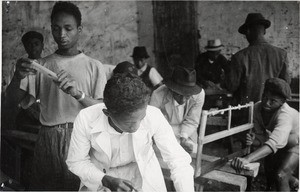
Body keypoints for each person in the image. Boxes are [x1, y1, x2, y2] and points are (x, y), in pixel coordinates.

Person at [4, 1, 107, 190]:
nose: (61, 35)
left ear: (79, 29)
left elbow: (101, 111)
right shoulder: (41, 65)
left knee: (80, 188)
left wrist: (78, 94)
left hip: (80, 137)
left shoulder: (94, 66)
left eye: (68, 28)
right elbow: (9, 102)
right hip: (47, 138)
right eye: (56, 29)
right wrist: (17, 77)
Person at [66, 73, 194, 192]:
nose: (137, 127)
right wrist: (104, 179)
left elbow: (178, 161)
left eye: (142, 118)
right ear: (108, 114)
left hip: (143, 174)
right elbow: (76, 162)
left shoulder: (153, 115)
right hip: (100, 175)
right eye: (129, 123)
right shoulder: (86, 118)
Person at [231, 78, 299, 191]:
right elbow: (261, 136)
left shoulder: (285, 114)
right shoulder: (258, 107)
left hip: (297, 142)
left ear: (282, 103)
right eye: (265, 97)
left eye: (273, 101)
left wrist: (247, 159)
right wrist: (255, 140)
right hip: (284, 141)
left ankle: (291, 181)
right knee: (271, 173)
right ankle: (295, 183)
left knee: (281, 175)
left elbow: (275, 142)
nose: (266, 103)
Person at [223, 13, 291, 106]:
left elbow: (231, 86)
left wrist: (226, 74)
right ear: (264, 31)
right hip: (270, 111)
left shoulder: (239, 57)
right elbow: (286, 84)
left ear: (248, 31)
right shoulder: (281, 54)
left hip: (246, 111)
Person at [150, 66, 205, 153]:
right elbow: (152, 124)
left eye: (187, 95)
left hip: (187, 133)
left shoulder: (199, 95)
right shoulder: (158, 95)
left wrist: (183, 139)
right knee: (166, 153)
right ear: (171, 89)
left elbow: (192, 121)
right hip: (165, 132)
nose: (183, 100)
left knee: (193, 150)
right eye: (179, 94)